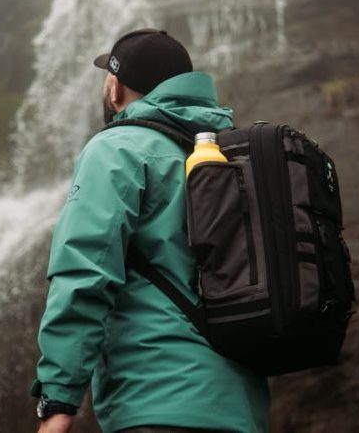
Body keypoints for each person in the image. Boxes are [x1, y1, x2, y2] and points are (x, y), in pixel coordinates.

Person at [31, 29, 270, 433]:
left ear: (115, 88)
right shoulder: (226, 158)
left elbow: (83, 274)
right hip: (240, 408)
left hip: (156, 401)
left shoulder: (116, 149)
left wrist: (58, 401)